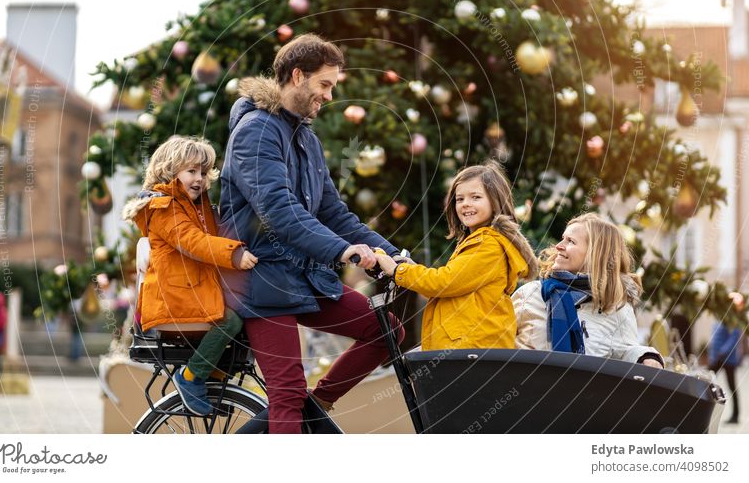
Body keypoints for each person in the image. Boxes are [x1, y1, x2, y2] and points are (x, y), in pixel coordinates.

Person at [219, 33, 406, 433]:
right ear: (297, 76)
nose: (329, 95)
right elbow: (279, 213)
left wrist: (397, 258)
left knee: (387, 329)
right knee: (286, 394)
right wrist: (343, 253)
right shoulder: (256, 132)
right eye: (325, 84)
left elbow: (334, 213)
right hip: (262, 280)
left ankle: (316, 406)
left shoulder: (306, 138)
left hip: (301, 277)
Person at [123, 136, 258, 416]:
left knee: (246, 313)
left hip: (188, 294)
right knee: (229, 320)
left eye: (204, 173)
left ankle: (212, 379)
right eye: (191, 172)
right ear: (169, 171)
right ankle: (191, 377)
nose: (200, 179)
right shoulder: (163, 208)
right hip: (173, 303)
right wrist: (234, 254)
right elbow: (193, 242)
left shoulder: (195, 205)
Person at [376, 162, 539, 349]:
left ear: (495, 202)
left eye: (476, 197)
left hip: (472, 349)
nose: (465, 204)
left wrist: (398, 270)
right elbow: (454, 282)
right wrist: (410, 267)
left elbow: (444, 282)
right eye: (459, 199)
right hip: (470, 346)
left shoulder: (487, 244)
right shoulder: (477, 241)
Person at [511, 213, 664, 368]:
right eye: (563, 238)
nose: (559, 245)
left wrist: (647, 357)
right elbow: (500, 339)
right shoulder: (529, 294)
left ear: (595, 254)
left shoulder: (616, 307)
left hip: (582, 391)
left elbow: (625, 351)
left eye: (570, 241)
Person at [707, 292, 745, 424]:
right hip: (716, 358)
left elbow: (734, 339)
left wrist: (722, 353)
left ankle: (735, 416)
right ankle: (703, 411)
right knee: (706, 382)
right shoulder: (720, 317)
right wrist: (712, 354)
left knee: (731, 387)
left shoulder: (734, 319)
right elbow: (715, 337)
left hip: (727, 359)